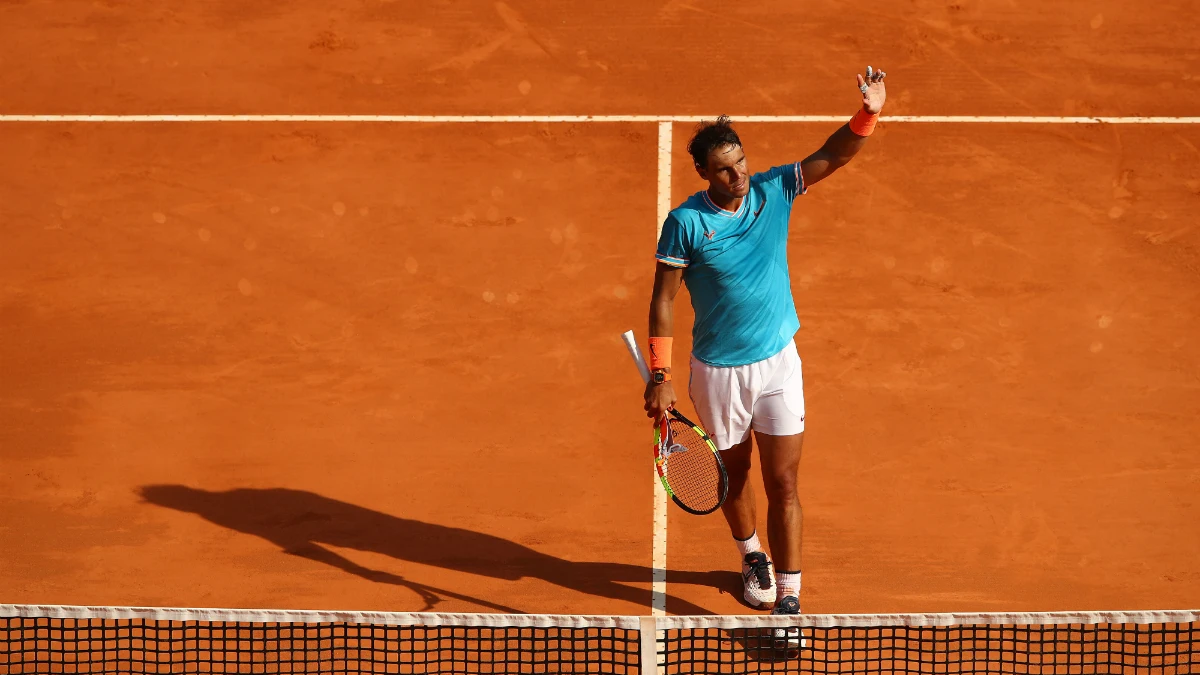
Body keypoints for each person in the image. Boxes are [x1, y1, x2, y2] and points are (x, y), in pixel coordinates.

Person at [643, 66, 887, 616]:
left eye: (741, 162)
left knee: (785, 480)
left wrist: (868, 112)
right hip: (720, 373)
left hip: (779, 362)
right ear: (705, 172)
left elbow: (836, 153)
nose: (738, 176)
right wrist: (660, 375)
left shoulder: (775, 188)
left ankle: (790, 598)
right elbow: (663, 299)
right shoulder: (685, 223)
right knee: (735, 477)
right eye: (725, 170)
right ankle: (752, 554)